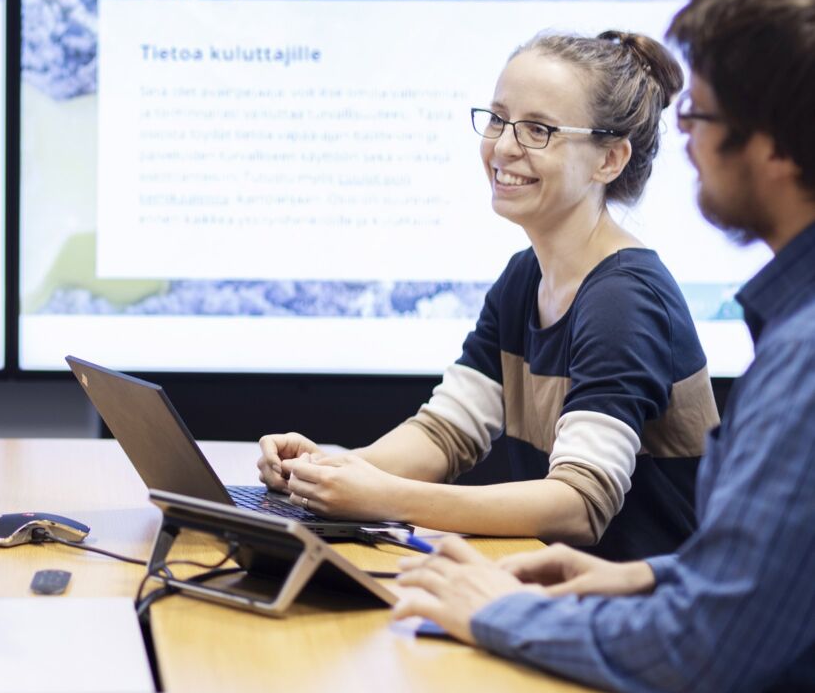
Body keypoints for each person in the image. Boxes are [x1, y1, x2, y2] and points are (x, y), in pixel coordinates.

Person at [393, 0, 815, 693]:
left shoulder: (800, 358)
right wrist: (640, 580)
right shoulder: (789, 327)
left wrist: (495, 612)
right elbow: (777, 572)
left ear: (777, 151)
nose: (683, 136)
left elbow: (707, 649)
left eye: (701, 114)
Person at [257, 29, 716, 560]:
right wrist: (330, 471)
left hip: (643, 620)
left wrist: (386, 496)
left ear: (609, 160)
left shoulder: (624, 300)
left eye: (538, 129)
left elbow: (579, 504)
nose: (502, 147)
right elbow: (446, 433)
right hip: (567, 601)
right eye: (498, 119)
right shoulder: (525, 279)